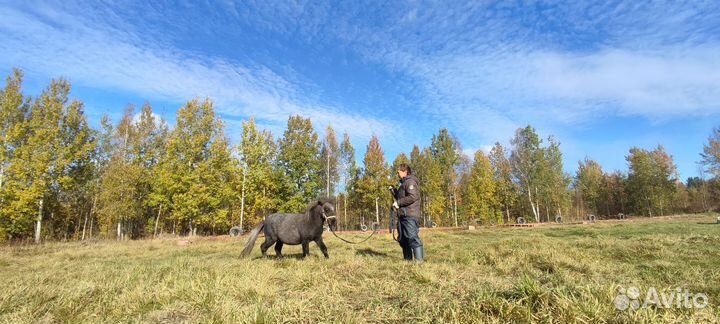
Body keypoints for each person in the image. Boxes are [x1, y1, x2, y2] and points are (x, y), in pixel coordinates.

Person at [391, 163, 424, 262]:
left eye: (398, 172)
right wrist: (394, 191)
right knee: (403, 239)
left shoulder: (410, 182)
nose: (397, 174)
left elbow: (412, 197)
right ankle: (408, 262)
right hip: (403, 216)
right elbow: (402, 197)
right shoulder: (403, 184)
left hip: (410, 215)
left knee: (412, 238)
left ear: (405, 171)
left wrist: (399, 202)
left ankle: (419, 263)